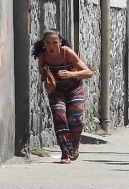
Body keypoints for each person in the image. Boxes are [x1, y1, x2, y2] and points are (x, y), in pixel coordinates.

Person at [33, 30, 93, 164]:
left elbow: (88, 73)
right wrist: (45, 73)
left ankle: (75, 145)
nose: (51, 46)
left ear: (60, 42)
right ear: (44, 44)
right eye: (48, 43)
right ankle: (65, 153)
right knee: (59, 116)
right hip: (57, 90)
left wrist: (71, 74)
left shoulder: (67, 52)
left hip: (74, 88)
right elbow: (43, 73)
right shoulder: (42, 55)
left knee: (76, 119)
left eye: (54, 42)